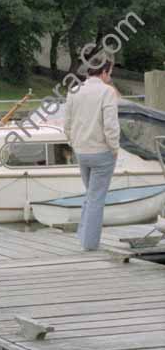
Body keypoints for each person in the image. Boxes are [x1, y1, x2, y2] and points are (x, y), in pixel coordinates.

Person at [64, 57, 120, 250]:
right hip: (101, 151)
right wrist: (115, 148)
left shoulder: (74, 91)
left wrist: (73, 143)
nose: (110, 77)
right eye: (109, 73)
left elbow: (67, 123)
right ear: (103, 72)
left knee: (90, 195)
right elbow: (110, 125)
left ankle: (83, 236)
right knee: (96, 199)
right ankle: (90, 244)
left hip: (81, 151)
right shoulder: (107, 92)